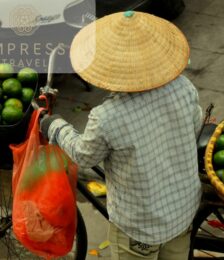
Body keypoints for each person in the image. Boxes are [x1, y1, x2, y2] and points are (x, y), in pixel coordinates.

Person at [40, 10, 203, 260]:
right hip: (183, 211)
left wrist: (55, 127)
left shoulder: (107, 117)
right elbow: (194, 127)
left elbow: (84, 156)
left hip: (140, 225)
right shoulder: (183, 87)